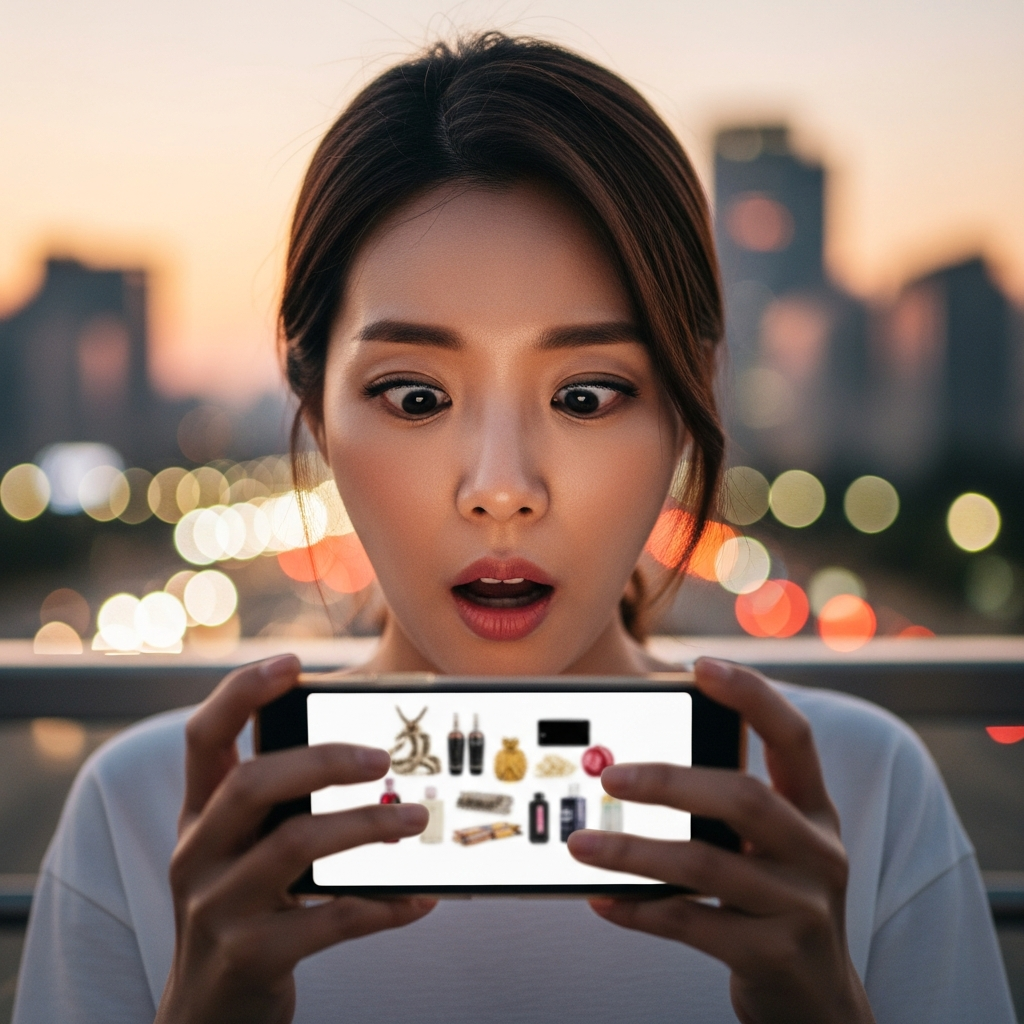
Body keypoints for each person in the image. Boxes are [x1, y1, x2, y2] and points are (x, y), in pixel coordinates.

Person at [13, 33, 1015, 1024]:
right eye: (412, 397)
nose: (501, 489)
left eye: (584, 394)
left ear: (685, 400)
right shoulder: (149, 820)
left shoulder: (861, 796)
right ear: (315, 406)